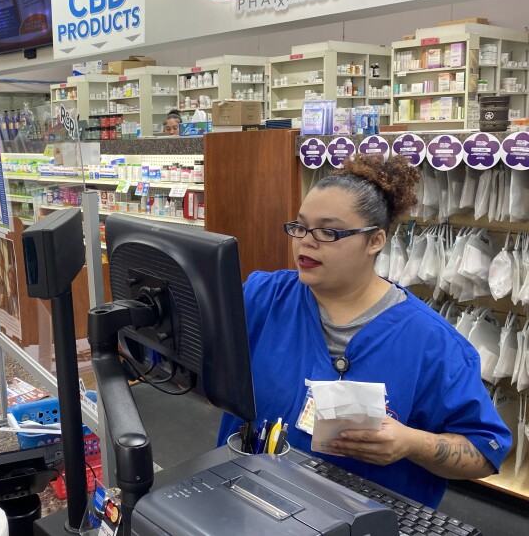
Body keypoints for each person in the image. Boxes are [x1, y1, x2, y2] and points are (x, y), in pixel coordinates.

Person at [217, 154, 511, 509]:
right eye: (300, 227)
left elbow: (484, 451)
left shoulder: (430, 342)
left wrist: (411, 443)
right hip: (248, 502)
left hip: (356, 519)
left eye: (328, 232)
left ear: (375, 241)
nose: (306, 242)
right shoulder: (261, 297)